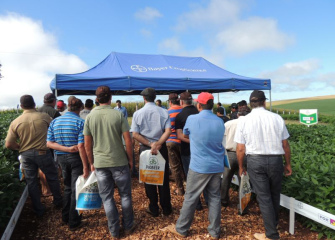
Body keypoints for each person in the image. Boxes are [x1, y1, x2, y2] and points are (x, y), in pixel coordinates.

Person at [163, 92, 225, 239]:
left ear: (199, 105)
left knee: (191, 197)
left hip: (199, 166)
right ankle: (214, 231)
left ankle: (182, 228)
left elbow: (185, 134)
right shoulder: (219, 121)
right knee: (215, 197)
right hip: (216, 165)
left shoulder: (192, 119)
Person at [235, 90, 292, 240]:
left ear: (250, 104)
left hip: (255, 160)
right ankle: (274, 224)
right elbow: (285, 145)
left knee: (264, 197)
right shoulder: (277, 118)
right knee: (274, 194)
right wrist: (288, 164)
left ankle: (272, 234)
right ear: (264, 102)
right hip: (275, 160)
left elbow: (240, 148)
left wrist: (241, 167)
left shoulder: (244, 120)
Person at [84, 86, 136, 238]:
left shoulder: (90, 117)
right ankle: (128, 226)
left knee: (107, 198)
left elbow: (87, 144)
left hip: (100, 163)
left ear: (96, 99)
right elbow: (128, 140)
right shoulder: (118, 114)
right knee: (125, 195)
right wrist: (131, 160)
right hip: (119, 161)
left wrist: (91, 162)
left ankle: (114, 231)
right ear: (111, 98)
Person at [5, 95, 62, 217]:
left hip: (26, 155)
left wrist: (20, 147)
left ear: (21, 106)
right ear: (34, 104)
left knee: (31, 182)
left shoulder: (16, 122)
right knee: (52, 177)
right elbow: (55, 131)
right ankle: (58, 202)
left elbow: (9, 144)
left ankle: (39, 209)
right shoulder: (45, 117)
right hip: (43, 153)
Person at [47, 97, 89, 231]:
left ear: (67, 107)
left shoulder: (55, 121)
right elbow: (81, 146)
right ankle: (74, 221)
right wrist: (86, 166)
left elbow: (49, 143)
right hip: (76, 158)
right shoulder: (80, 122)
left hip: (61, 158)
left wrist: (65, 149)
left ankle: (65, 217)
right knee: (76, 189)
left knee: (67, 188)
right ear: (80, 108)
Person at [131, 87, 172, 217]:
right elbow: (168, 131)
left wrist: (150, 144)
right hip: (161, 148)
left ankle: (153, 207)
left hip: (145, 148)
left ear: (144, 98)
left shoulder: (138, 113)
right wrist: (159, 144)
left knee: (148, 178)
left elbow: (135, 134)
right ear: (155, 98)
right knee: (163, 178)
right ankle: (166, 208)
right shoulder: (164, 112)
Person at [175, 92, 206, 210]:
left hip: (187, 151)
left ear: (181, 102)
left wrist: (193, 141)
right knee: (205, 175)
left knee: (190, 177)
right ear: (193, 101)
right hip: (202, 150)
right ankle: (208, 200)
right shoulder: (200, 113)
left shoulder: (180, 116)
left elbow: (179, 135)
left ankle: (197, 204)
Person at [220, 110, 247, 207]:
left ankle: (224, 200)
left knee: (226, 178)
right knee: (243, 179)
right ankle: (242, 203)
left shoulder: (228, 123)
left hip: (229, 153)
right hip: (244, 154)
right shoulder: (248, 124)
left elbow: (221, 138)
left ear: (238, 115)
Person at [38, 93, 61, 196]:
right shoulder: (54, 112)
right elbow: (59, 127)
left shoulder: (37, 110)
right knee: (51, 167)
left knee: (41, 167)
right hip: (51, 142)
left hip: (38, 142)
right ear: (53, 101)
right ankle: (51, 190)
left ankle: (44, 189)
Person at [166, 93, 185, 196]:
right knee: (185, 164)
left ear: (170, 102)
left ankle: (180, 189)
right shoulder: (183, 111)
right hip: (183, 141)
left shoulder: (167, 113)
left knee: (175, 166)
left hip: (171, 141)